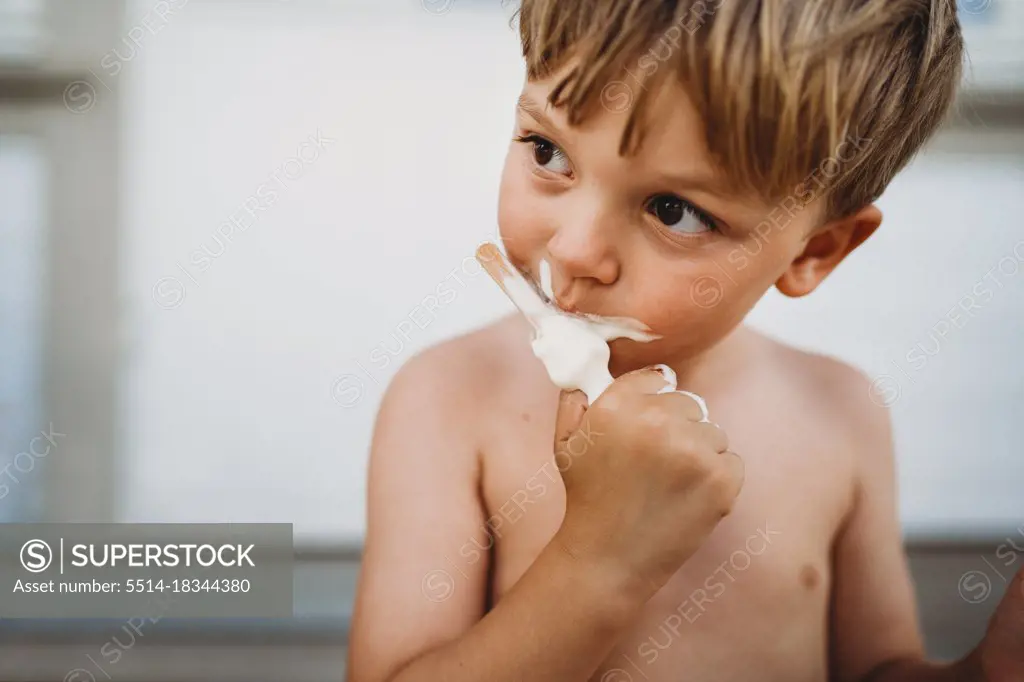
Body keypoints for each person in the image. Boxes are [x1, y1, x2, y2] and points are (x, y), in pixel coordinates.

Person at [348, 1, 1024, 680]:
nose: (576, 248)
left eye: (673, 210)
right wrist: (599, 562)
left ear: (815, 250)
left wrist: (985, 672)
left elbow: (878, 668)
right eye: (548, 152)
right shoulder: (448, 401)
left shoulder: (842, 414)